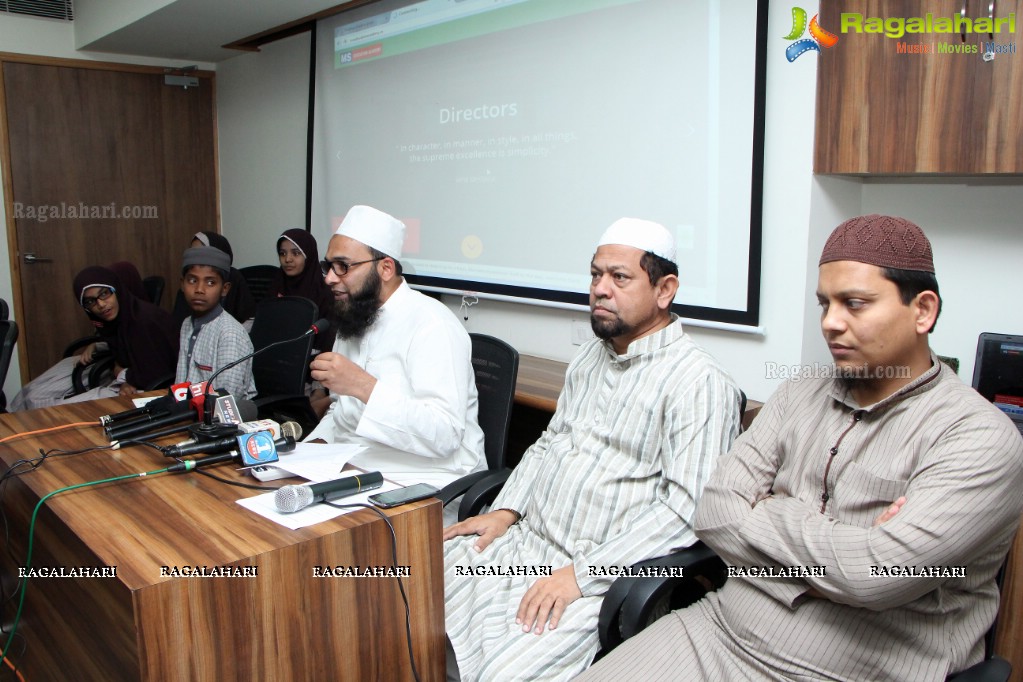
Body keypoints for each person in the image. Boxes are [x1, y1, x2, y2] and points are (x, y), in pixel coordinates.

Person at [578, 215, 1023, 682]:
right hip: (718, 631)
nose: (831, 323)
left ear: (923, 311)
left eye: (855, 304)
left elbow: (876, 576)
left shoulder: (978, 438)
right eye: (825, 304)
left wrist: (771, 511)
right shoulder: (799, 392)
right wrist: (853, 542)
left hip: (853, 669)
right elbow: (714, 512)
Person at [443, 218, 742, 682]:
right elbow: (550, 442)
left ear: (665, 289)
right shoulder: (589, 357)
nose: (600, 289)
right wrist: (507, 510)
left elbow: (686, 511)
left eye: (619, 278)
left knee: (502, 671)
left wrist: (581, 576)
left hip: (592, 575)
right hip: (526, 542)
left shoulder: (699, 383)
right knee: (409, 597)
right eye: (595, 275)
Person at [305, 205, 486, 497]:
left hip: (426, 480)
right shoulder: (354, 318)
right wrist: (316, 447)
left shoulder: (432, 324)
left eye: (343, 266)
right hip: (357, 466)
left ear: (385, 268)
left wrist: (363, 386)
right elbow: (342, 410)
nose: (329, 278)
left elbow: (445, 435)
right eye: (328, 266)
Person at [11, 264, 178, 410]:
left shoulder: (145, 320)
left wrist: (123, 374)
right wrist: (100, 345)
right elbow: (121, 343)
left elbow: (158, 371)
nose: (101, 304)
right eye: (90, 302)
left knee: (55, 410)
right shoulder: (115, 319)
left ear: (116, 289)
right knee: (29, 393)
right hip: (122, 372)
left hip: (142, 387)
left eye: (104, 294)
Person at [175, 246, 256, 399]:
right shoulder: (187, 323)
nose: (199, 289)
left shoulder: (229, 334)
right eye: (192, 280)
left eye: (210, 282)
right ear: (182, 284)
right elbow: (181, 382)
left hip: (220, 417)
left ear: (224, 289)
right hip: (188, 412)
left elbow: (228, 398)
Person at [172, 231, 257, 328]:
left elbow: (250, 318)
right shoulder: (189, 288)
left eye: (210, 282)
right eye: (193, 251)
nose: (199, 289)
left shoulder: (234, 277)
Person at [268, 229, 335, 352]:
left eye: (296, 253)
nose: (288, 259)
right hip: (276, 356)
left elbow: (327, 340)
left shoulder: (324, 292)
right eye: (282, 253)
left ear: (308, 256)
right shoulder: (276, 286)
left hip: (313, 360)